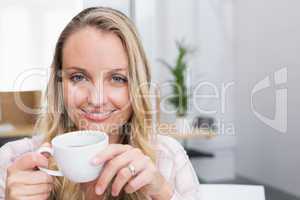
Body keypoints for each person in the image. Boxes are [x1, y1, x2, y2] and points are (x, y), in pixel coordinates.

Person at [0, 7, 200, 200]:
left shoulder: (167, 158)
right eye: (78, 77)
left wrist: (163, 193)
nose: (96, 100)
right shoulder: (12, 161)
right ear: (58, 85)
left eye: (118, 79)